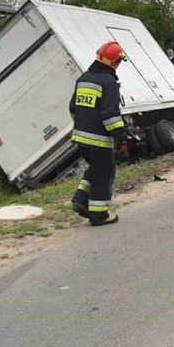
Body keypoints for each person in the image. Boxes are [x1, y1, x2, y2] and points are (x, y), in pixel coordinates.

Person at [70, 41, 129, 226]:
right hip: (99, 140)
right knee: (105, 173)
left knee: (96, 168)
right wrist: (122, 136)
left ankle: (80, 199)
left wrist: (84, 124)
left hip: (80, 137)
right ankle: (99, 214)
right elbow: (110, 115)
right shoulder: (109, 82)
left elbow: (73, 108)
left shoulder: (84, 78)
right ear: (115, 62)